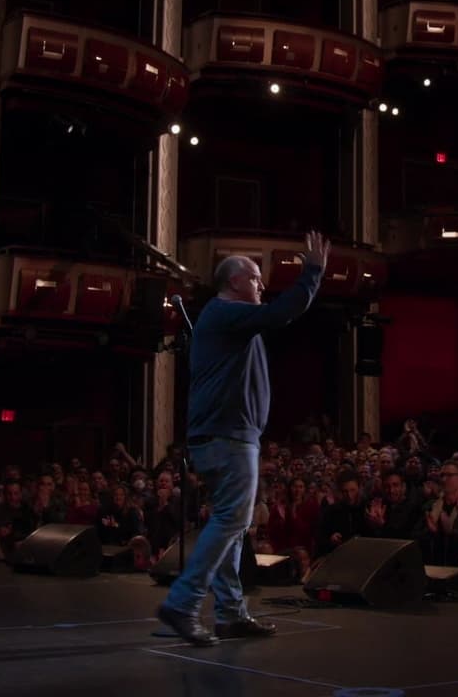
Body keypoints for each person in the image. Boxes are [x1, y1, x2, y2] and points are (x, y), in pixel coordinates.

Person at [157, 230, 328, 646]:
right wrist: (313, 273)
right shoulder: (225, 314)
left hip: (221, 437)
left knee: (231, 525)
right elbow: (283, 311)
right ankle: (183, 602)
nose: (261, 285)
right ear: (234, 281)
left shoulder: (228, 322)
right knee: (233, 520)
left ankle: (231, 614)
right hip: (228, 437)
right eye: (254, 278)